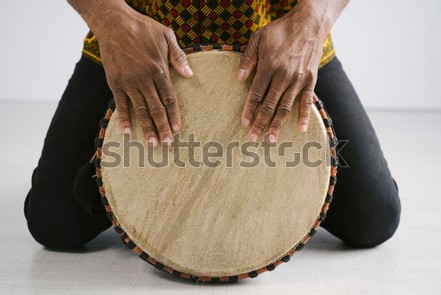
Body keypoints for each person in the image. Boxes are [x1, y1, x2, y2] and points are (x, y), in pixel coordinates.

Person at [24, 0, 400, 250]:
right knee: (56, 224)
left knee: (373, 218)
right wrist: (110, 22)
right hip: (139, 43)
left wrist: (313, 23)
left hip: (281, 40)